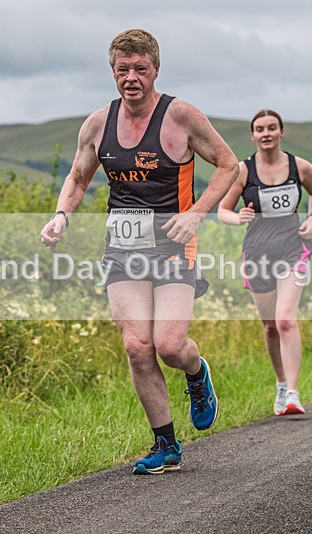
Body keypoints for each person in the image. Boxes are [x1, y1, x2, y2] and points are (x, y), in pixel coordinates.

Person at [40, 29, 238, 475]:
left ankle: (196, 372)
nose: (131, 78)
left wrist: (197, 214)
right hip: (123, 249)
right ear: (112, 72)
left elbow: (230, 165)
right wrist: (60, 216)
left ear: (155, 70)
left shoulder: (181, 117)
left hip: (173, 244)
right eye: (122, 70)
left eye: (140, 69)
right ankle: (166, 445)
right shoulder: (97, 124)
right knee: (136, 346)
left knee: (168, 346)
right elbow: (77, 178)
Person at [217, 109, 312, 415]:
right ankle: (280, 384)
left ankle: (292, 393)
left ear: (281, 132)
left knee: (286, 320)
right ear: (253, 136)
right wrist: (239, 217)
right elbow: (223, 210)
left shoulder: (299, 166)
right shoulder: (243, 171)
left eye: (272, 128)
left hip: (294, 248)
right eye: (260, 129)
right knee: (269, 328)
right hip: (257, 252)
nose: (266, 134)